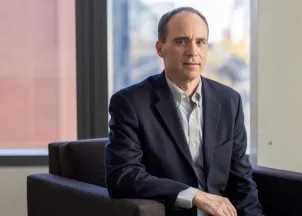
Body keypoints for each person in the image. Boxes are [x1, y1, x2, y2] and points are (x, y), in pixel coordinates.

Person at [104, 6, 263, 216]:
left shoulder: (229, 101)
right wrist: (194, 195)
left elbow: (242, 181)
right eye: (181, 41)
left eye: (200, 42)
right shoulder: (130, 103)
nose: (192, 51)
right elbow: (122, 175)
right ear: (160, 49)